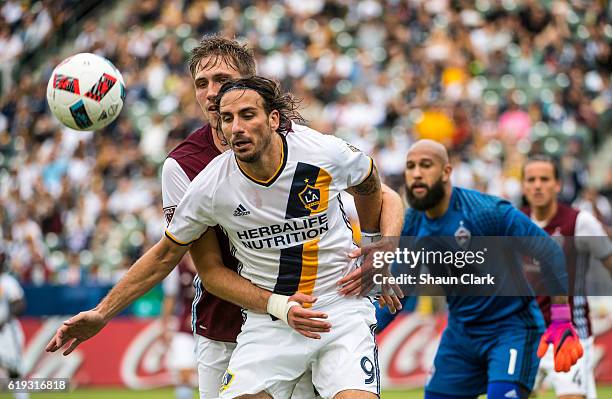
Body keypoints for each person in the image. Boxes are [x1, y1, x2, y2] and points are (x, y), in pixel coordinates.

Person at [164, 75, 403, 398]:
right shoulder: (210, 184)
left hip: (340, 309)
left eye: (247, 115)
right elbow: (168, 255)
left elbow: (375, 184)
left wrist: (378, 248)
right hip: (270, 322)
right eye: (228, 118)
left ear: (273, 118)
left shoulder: (320, 151)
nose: (237, 126)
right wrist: (104, 312)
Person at [400, 139, 581, 399]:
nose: (416, 173)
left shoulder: (486, 212)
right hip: (461, 335)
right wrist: (367, 330)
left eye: (425, 165)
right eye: (410, 166)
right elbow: (398, 289)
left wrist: (562, 317)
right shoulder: (412, 224)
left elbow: (549, 250)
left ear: (446, 172)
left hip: (511, 329)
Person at [521, 154, 612, 399]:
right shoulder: (515, 222)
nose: (537, 185)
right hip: (526, 333)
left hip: (569, 332)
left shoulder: (579, 222)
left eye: (544, 179)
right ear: (523, 185)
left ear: (557, 184)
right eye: (531, 179)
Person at [160, 257, 198, 399]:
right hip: (185, 328)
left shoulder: (215, 262)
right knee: (184, 373)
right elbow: (170, 298)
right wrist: (164, 326)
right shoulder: (177, 269)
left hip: (212, 327)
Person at [0, 244, 29, 399]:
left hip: (6, 332)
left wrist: (5, 318)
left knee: (15, 371)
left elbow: (20, 303)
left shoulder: (7, 281)